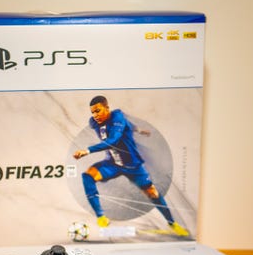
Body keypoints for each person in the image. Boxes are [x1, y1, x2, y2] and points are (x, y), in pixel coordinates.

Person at [73, 95, 188, 236]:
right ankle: (101, 217)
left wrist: (87, 150)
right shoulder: (94, 123)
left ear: (107, 108)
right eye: (93, 112)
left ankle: (172, 224)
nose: (95, 115)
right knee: (88, 176)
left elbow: (113, 140)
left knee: (152, 192)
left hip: (133, 166)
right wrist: (138, 129)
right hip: (112, 164)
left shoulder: (117, 117)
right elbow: (128, 124)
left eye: (98, 111)